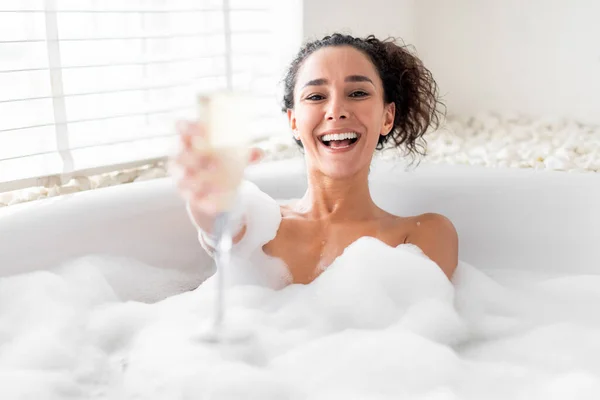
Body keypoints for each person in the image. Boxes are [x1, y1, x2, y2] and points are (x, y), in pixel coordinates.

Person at [172, 33, 458, 287]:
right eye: (316, 95)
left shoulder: (420, 235)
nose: (336, 110)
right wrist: (208, 194)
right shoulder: (259, 227)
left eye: (357, 93)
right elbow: (221, 225)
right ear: (294, 122)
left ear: (387, 117)